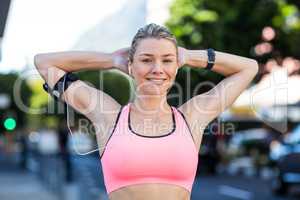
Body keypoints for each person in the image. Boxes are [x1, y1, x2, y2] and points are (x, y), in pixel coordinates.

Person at [34, 23, 258, 200]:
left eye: (167, 60)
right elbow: (44, 63)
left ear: (176, 66)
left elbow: (249, 68)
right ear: (130, 65)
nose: (157, 69)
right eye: (146, 60)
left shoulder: (192, 117)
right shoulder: (108, 115)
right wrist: (111, 60)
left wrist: (190, 57)